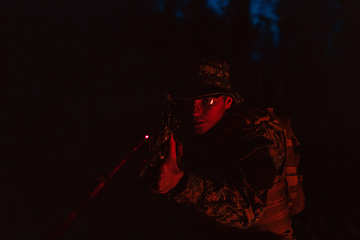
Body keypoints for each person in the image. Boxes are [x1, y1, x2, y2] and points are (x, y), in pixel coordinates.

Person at [152, 59, 298, 240]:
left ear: (228, 102)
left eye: (208, 101)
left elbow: (248, 210)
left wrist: (181, 183)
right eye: (190, 102)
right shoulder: (199, 135)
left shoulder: (256, 136)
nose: (195, 112)